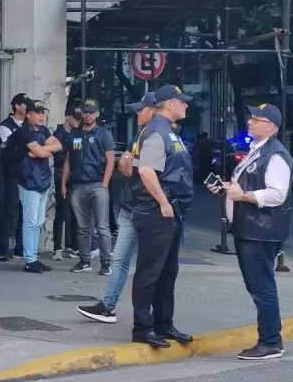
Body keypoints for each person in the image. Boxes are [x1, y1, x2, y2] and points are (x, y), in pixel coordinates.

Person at [208, 103, 293, 361]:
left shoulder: (275, 155)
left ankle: (270, 342)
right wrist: (227, 188)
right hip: (251, 229)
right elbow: (249, 184)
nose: (250, 122)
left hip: (261, 230)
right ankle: (269, 339)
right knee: (258, 286)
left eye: (256, 119)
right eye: (251, 118)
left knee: (262, 287)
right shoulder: (258, 151)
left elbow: (278, 194)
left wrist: (243, 195)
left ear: (271, 126)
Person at [77, 92, 156, 324]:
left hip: (149, 210)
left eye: (141, 109)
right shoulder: (140, 135)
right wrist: (129, 163)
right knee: (120, 260)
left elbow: (144, 171)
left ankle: (155, 315)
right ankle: (108, 305)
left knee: (150, 265)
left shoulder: (160, 137)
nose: (137, 113)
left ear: (154, 110)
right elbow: (125, 166)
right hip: (130, 206)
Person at [130, 84, 195, 348]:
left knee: (168, 271)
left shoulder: (169, 132)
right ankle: (142, 327)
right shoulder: (157, 131)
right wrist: (163, 203)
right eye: (182, 102)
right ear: (169, 103)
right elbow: (146, 171)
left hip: (170, 211)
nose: (186, 106)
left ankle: (163, 323)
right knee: (151, 271)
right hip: (157, 212)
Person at [62, 98, 115, 274]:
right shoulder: (74, 135)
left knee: (102, 227)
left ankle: (106, 263)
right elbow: (68, 161)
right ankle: (85, 261)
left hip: (97, 184)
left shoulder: (104, 134)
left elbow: (110, 160)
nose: (88, 115)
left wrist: (105, 183)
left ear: (97, 114)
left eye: (91, 112)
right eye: (85, 112)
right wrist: (64, 183)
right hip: (77, 185)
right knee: (82, 227)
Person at [13, 98, 63, 274]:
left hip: (42, 181)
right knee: (30, 222)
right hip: (28, 182)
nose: (41, 116)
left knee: (38, 222)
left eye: (43, 113)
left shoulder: (43, 130)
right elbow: (44, 151)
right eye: (37, 113)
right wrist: (42, 151)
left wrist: (41, 152)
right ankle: (30, 260)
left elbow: (58, 145)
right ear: (28, 115)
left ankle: (33, 257)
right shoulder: (23, 132)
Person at [0, 93, 28, 261]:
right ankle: (2, 250)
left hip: (27, 174)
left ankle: (20, 249)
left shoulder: (30, 124)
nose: (27, 108)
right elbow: (15, 146)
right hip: (11, 173)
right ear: (16, 106)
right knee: (9, 210)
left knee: (25, 212)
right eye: (25, 104)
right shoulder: (5, 126)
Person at [52, 104, 80, 261]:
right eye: (75, 118)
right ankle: (57, 247)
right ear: (67, 117)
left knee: (74, 212)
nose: (78, 121)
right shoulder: (58, 133)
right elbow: (58, 155)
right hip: (60, 174)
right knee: (61, 212)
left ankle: (71, 246)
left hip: (74, 176)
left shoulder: (77, 134)